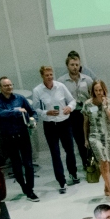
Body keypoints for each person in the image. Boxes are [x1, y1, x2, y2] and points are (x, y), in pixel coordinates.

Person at [30, 65, 80, 194]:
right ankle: (61, 181)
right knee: (55, 153)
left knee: (69, 150)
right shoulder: (37, 90)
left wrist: (70, 107)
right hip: (50, 125)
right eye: (47, 75)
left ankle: (73, 174)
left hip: (64, 122)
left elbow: (72, 101)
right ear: (42, 76)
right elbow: (35, 109)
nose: (49, 77)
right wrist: (47, 112)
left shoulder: (60, 86)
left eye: (51, 74)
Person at [0, 79, 37, 201]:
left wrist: (33, 120)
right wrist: (16, 111)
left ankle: (30, 189)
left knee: (29, 164)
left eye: (10, 85)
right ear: (0, 87)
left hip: (23, 134)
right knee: (16, 165)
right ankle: (24, 187)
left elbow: (32, 112)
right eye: (5, 85)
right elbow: (1, 113)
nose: (9, 87)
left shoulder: (20, 98)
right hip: (9, 136)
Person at [82, 78, 110, 202]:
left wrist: (105, 107)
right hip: (94, 137)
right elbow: (85, 122)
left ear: (104, 90)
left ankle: (106, 188)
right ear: (92, 91)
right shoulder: (88, 104)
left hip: (108, 136)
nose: (98, 92)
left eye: (100, 90)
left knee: (109, 163)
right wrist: (86, 139)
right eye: (96, 90)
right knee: (103, 162)